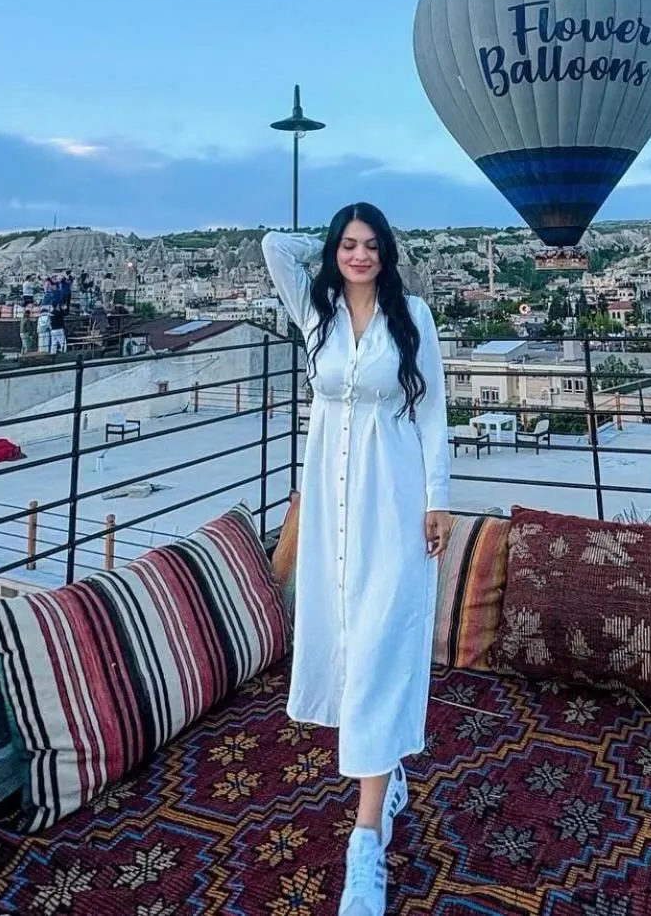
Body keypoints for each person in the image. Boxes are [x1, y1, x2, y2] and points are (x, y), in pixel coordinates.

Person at [262, 203, 450, 916]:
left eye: (372, 244)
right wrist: (323, 240)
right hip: (332, 512)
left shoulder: (416, 317)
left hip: (394, 502)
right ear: (336, 251)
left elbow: (433, 413)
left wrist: (439, 499)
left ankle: (365, 840)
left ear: (389, 253)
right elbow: (273, 247)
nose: (361, 254)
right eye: (350, 243)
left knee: (379, 650)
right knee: (348, 645)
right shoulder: (319, 316)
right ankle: (388, 769)